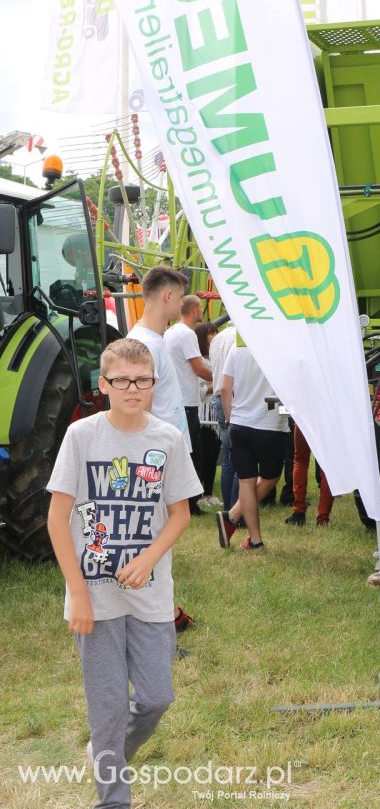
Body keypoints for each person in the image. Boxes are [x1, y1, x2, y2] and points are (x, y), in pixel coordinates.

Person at [47, 338, 202, 809]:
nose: (133, 388)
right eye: (122, 380)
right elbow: (57, 518)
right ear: (104, 384)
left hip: (150, 596)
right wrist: (78, 594)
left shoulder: (167, 439)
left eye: (143, 380)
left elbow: (180, 514)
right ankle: (113, 798)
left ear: (154, 382)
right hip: (95, 597)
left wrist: (148, 559)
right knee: (107, 707)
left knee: (157, 698)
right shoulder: (82, 437)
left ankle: (108, 754)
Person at [128, 266, 194, 629]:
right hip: (153, 461)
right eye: (181, 295)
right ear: (168, 296)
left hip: (161, 457)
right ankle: (161, 620)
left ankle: (165, 614)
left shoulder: (153, 340)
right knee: (153, 542)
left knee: (159, 542)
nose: (182, 302)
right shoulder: (144, 346)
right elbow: (140, 412)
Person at [215, 341, 289, 550]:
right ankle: (232, 517)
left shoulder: (238, 346)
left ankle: (253, 538)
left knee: (247, 481)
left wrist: (230, 418)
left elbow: (224, 388)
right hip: (271, 424)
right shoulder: (280, 346)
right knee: (270, 477)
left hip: (239, 424)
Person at [165, 295, 213, 515]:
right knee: (193, 452)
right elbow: (199, 368)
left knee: (182, 451)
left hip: (176, 399)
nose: (202, 310)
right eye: (201, 307)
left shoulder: (171, 331)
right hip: (187, 402)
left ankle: (179, 500)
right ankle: (191, 503)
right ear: (194, 310)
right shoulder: (186, 334)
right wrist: (222, 377)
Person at [208, 319, 237, 511]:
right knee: (239, 457)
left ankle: (229, 504)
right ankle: (238, 505)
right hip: (233, 398)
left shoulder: (217, 339)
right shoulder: (238, 339)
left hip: (219, 397)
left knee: (227, 456)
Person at [194, 320, 222, 505]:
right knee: (204, 456)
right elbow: (200, 390)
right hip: (204, 418)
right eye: (210, 333)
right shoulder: (199, 363)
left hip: (217, 416)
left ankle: (209, 493)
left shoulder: (217, 360)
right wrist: (218, 384)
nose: (213, 336)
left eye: (215, 332)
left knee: (213, 456)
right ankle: (201, 493)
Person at [285, 424, 335, 527]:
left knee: (300, 461)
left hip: (303, 416)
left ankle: (298, 511)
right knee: (327, 466)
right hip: (326, 418)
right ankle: (322, 518)